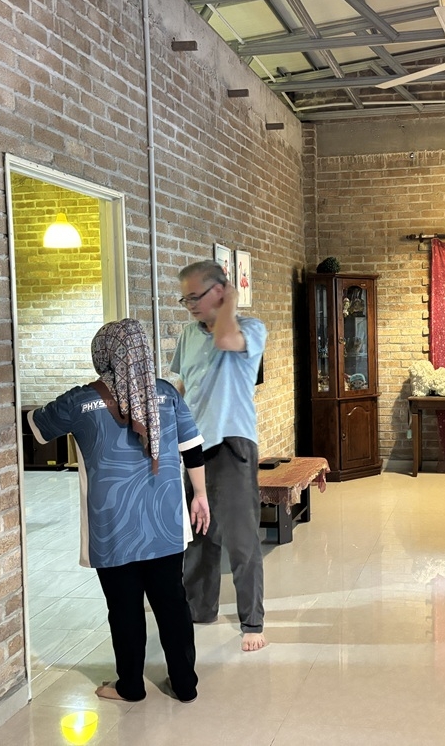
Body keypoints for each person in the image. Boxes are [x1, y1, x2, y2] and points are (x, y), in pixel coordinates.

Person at [27, 318, 210, 702]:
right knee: (172, 602)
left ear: (103, 355)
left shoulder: (79, 402)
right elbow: (192, 447)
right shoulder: (167, 393)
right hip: (164, 523)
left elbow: (37, 426)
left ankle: (130, 685)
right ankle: (185, 684)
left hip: (111, 528)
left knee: (124, 609)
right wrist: (200, 496)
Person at [171, 260, 268, 652]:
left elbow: (226, 340)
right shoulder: (187, 335)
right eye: (185, 298)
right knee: (198, 535)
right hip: (193, 444)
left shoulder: (251, 329)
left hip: (232, 443)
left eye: (196, 296)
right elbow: (181, 384)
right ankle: (199, 609)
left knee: (241, 540)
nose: (190, 305)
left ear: (221, 291)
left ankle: (252, 622)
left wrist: (231, 302)